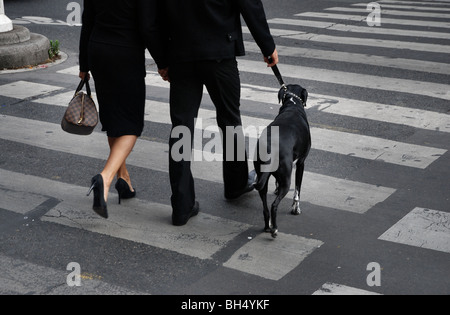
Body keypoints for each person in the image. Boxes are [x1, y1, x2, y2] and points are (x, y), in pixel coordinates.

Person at [157, 0, 279, 226]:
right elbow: (249, 5)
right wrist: (267, 45)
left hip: (181, 56)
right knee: (229, 120)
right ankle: (235, 184)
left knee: (181, 127)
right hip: (220, 52)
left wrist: (162, 59)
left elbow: (154, 13)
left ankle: (181, 206)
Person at [79, 0, 166, 218]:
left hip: (97, 51)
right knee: (131, 125)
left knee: (113, 118)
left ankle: (124, 179)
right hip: (125, 55)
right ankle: (106, 178)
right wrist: (163, 62)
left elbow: (87, 22)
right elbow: (148, 27)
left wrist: (83, 64)